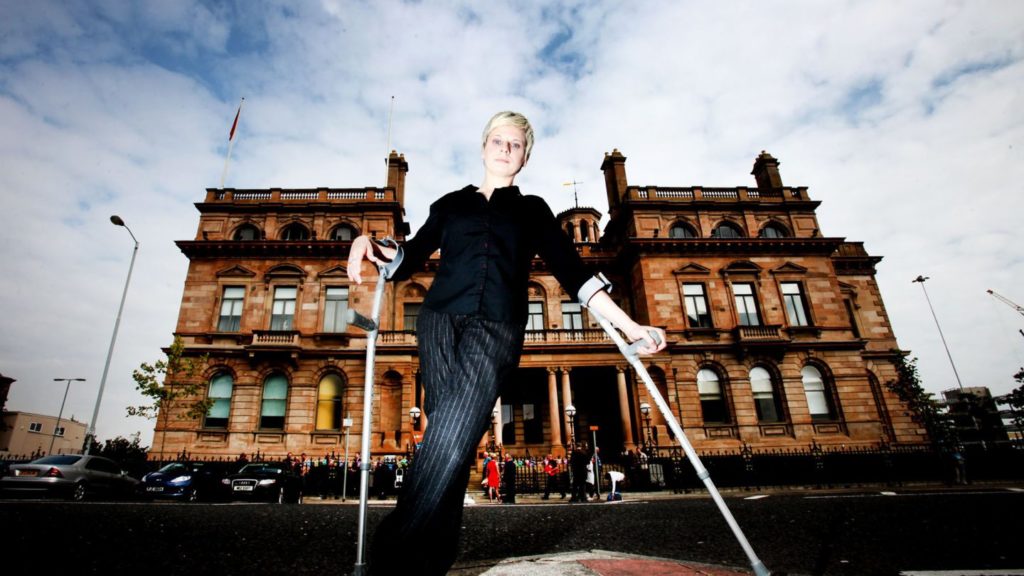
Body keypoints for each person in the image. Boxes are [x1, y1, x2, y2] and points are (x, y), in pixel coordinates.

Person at [349, 111, 667, 575]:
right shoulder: (449, 205)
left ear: (525, 156)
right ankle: (431, 559)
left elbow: (573, 273)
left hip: (496, 327)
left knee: (454, 429)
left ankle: (391, 560)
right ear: (483, 147)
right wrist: (368, 243)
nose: (504, 148)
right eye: (497, 140)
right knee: (448, 439)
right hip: (437, 323)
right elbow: (406, 258)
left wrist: (628, 325)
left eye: (515, 144)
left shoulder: (532, 209)